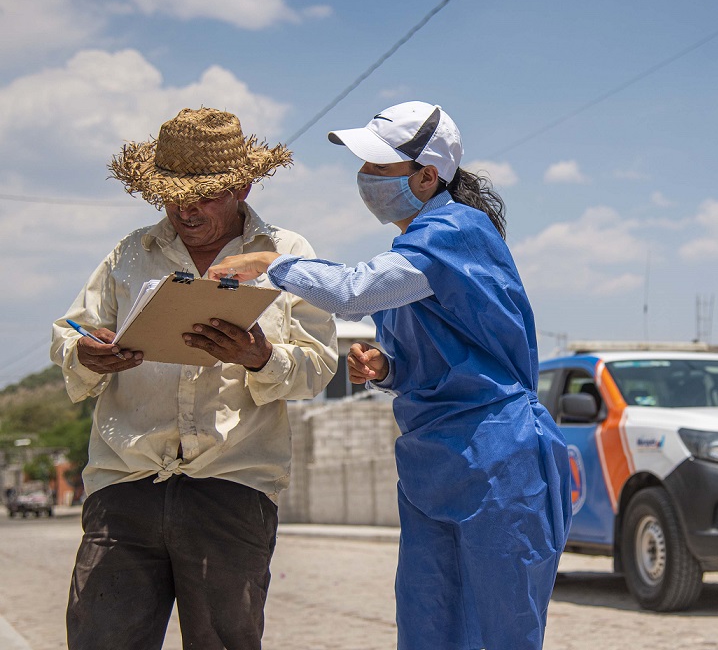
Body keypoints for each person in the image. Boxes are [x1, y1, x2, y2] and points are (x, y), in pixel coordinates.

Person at [208, 101, 572, 650]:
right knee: (428, 626)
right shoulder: (414, 250)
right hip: (433, 461)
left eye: (380, 168)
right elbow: (443, 356)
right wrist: (387, 369)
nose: (366, 180)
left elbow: (354, 291)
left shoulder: (455, 231)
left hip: (498, 459)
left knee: (503, 632)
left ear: (427, 177)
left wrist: (268, 265)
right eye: (365, 168)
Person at [50, 107, 339, 650]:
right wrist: (88, 354)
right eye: (173, 192)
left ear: (243, 187)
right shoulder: (129, 253)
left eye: (206, 195)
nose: (187, 208)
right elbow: (69, 334)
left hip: (233, 487)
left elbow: (318, 365)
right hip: (124, 483)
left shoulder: (287, 255)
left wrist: (260, 357)